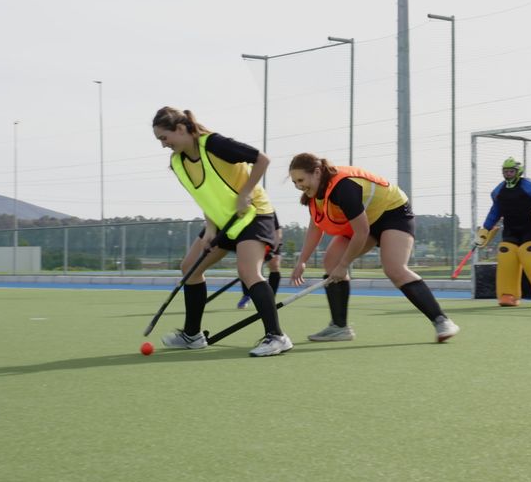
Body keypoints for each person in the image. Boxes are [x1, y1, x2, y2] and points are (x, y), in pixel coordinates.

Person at [152, 106, 293, 357]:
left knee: (247, 271)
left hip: (254, 214)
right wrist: (209, 228)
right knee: (190, 268)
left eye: (165, 137)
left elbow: (262, 159)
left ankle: (277, 336)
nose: (163, 145)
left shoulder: (214, 144)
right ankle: (192, 335)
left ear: (181, 129)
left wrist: (246, 192)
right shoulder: (178, 163)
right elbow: (205, 194)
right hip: (222, 222)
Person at [287, 153, 460, 343]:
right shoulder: (315, 193)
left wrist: (344, 265)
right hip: (367, 220)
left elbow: (361, 232)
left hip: (393, 213)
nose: (298, 186)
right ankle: (339, 327)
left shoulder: (343, 187)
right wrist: (302, 260)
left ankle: (442, 321)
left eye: (301, 180)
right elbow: (315, 227)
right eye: (294, 182)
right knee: (331, 262)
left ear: (317, 172)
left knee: (394, 269)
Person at [477, 157, 531, 307]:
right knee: (506, 255)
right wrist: (485, 229)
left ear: (518, 172)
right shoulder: (498, 191)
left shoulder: (530, 187)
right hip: (510, 230)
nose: (508, 174)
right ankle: (508, 295)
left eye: (511, 171)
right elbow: (495, 211)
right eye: (505, 171)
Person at [237, 221, 283, 309]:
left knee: (275, 264)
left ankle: (271, 299)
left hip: (270, 236)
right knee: (245, 267)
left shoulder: (268, 210)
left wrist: (273, 250)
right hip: (251, 235)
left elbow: (278, 230)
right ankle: (247, 295)